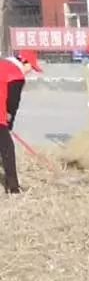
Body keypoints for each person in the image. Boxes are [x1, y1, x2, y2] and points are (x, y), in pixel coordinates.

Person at [0, 50, 42, 194]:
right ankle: (13, 187)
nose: (30, 71)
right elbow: (13, 103)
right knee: (7, 149)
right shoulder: (16, 75)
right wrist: (8, 123)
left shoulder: (3, 64)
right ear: (24, 61)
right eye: (31, 67)